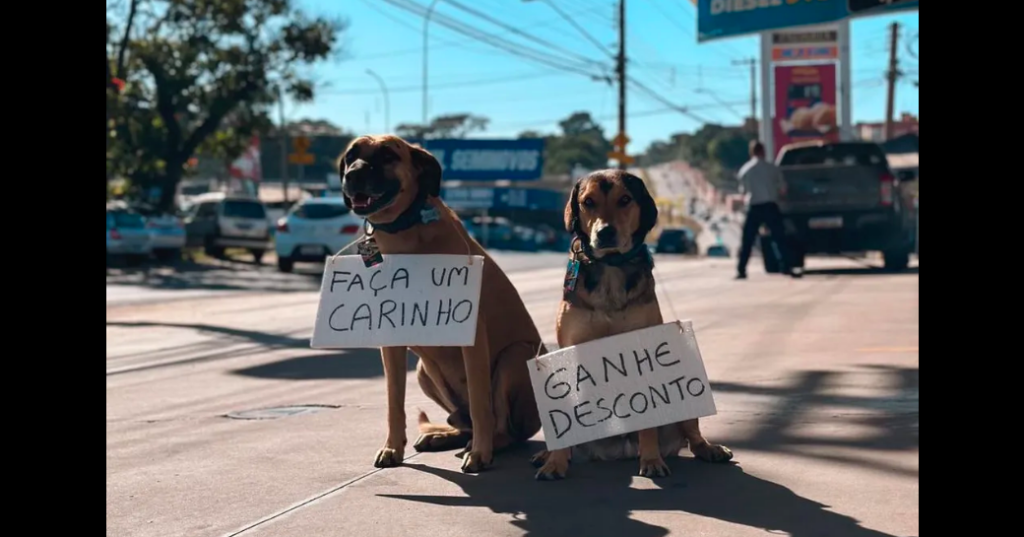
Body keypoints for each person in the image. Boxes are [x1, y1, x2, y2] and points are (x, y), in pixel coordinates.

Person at [735, 140, 799, 279]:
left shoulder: (746, 169)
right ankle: (786, 266)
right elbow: (782, 189)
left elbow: (743, 191)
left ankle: (741, 270)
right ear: (763, 151)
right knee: (779, 238)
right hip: (770, 205)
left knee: (747, 240)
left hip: (754, 206)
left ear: (751, 152)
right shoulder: (773, 168)